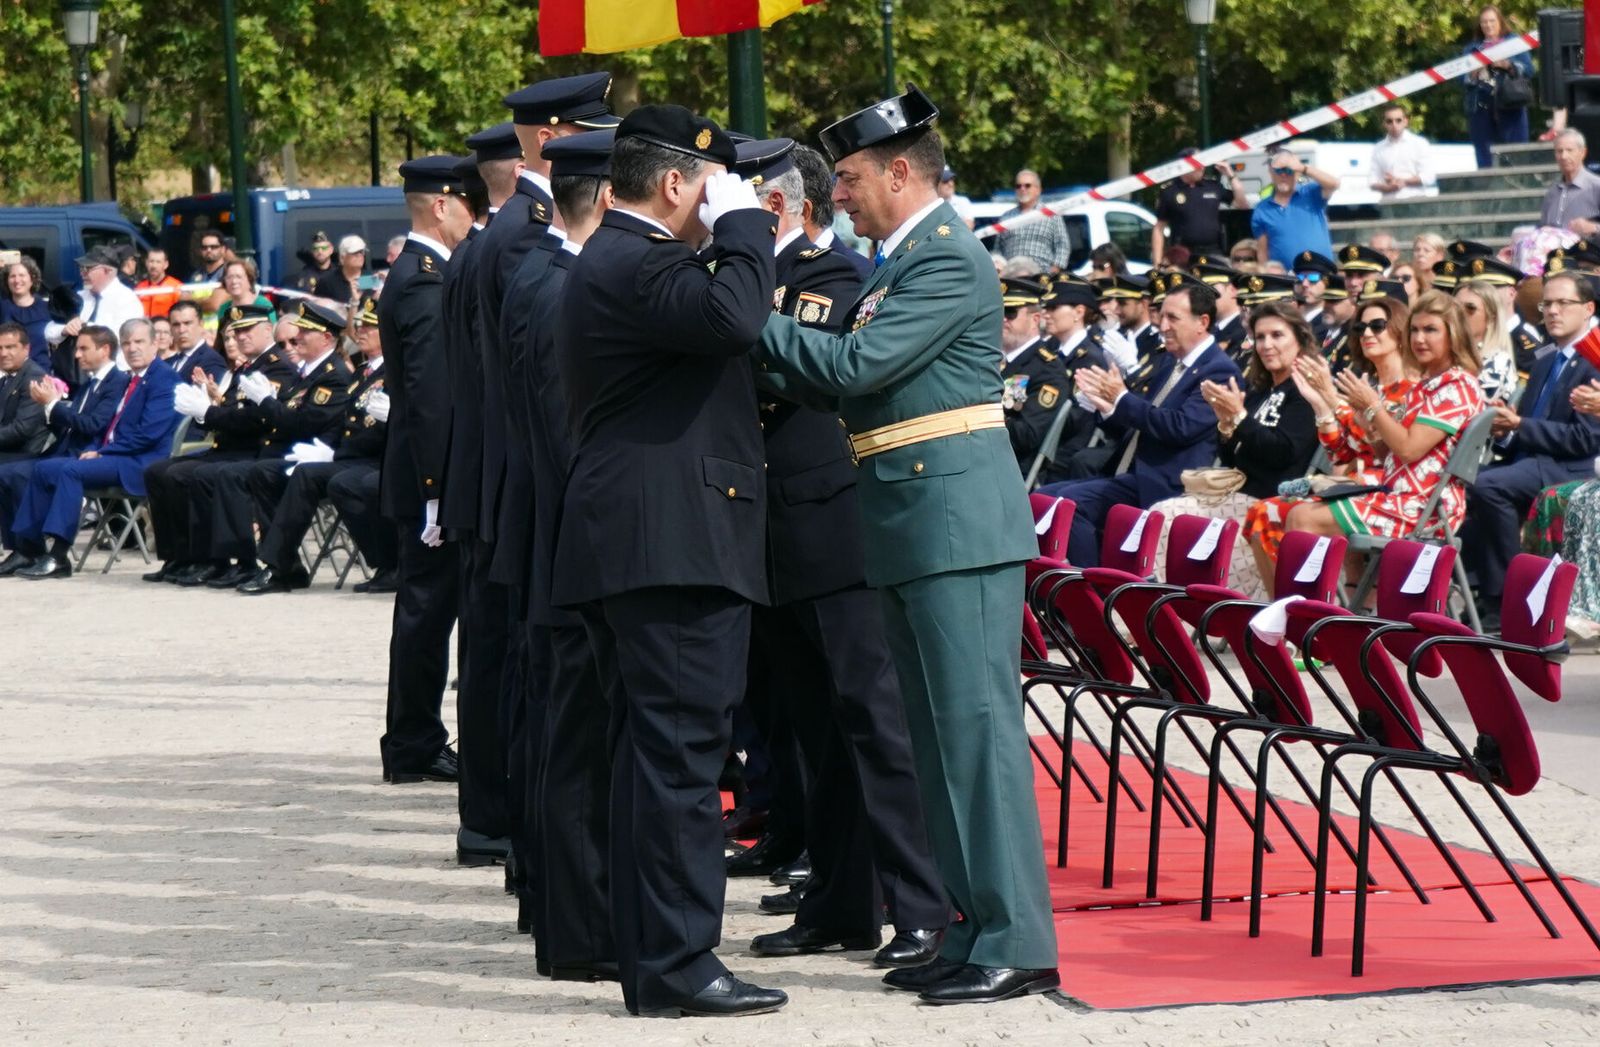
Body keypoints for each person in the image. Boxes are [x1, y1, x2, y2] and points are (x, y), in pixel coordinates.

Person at [754, 86, 1060, 1006]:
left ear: (898, 171)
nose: (836, 194)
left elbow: (854, 367)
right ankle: (968, 928)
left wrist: (734, 312)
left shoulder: (945, 259)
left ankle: (1017, 936)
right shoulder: (897, 263)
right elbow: (840, 382)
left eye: (846, 178)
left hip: (953, 521)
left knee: (975, 735)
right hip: (908, 516)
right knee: (933, 739)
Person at [550, 104, 786, 1018]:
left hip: (644, 539)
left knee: (652, 758)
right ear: (680, 182)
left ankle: (653, 955)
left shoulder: (619, 258)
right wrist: (745, 225)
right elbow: (735, 317)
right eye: (709, 184)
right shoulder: (638, 259)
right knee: (683, 762)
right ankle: (681, 963)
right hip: (671, 544)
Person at [514, 128, 618, 982]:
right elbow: (569, 440)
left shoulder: (546, 276)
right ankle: (580, 930)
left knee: (572, 738)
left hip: (559, 547)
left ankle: (571, 919)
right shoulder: (559, 287)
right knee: (580, 744)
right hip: (575, 552)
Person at [377, 156, 475, 791]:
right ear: (441, 205)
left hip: (422, 474)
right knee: (427, 615)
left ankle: (413, 737)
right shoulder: (424, 280)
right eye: (469, 206)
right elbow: (431, 396)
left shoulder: (417, 273)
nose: (475, 218)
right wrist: (439, 496)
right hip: (429, 480)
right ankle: (413, 740)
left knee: (426, 612)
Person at [1041, 280, 1245, 564]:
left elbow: (1180, 427)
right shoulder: (1171, 364)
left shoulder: (1218, 370)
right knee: (1043, 499)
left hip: (1170, 482)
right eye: (1162, 317)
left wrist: (1122, 398)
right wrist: (1108, 409)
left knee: (1071, 505)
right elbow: (1141, 423)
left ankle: (1090, 594)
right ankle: (1047, 590)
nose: (1163, 326)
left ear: (1202, 322)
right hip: (1135, 471)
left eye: (1173, 318)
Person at [1282, 290, 1485, 547]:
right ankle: (1355, 588)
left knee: (1302, 518)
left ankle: (1304, 589)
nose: (1419, 339)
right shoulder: (1427, 385)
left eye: (1431, 330)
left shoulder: (1456, 385)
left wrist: (1373, 407)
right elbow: (1386, 455)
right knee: (1304, 508)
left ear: (1453, 334)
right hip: (1397, 495)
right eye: (1414, 330)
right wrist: (1369, 423)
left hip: (1426, 508)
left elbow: (1409, 450)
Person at [1147, 301, 1319, 601]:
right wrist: (1227, 425)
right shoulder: (1259, 390)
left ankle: (1190, 618)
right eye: (1260, 337)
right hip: (1239, 494)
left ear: (1300, 340)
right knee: (1163, 514)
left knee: (1173, 516)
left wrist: (1239, 418)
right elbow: (1232, 460)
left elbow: (1283, 454)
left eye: (1277, 336)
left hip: (1273, 500)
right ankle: (1162, 610)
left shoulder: (1303, 392)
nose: (1266, 345)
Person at [181, 299, 353, 591]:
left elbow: (303, 425)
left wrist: (267, 402)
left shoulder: (333, 375)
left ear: (326, 338)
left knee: (254, 472)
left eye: (305, 333)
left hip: (312, 454)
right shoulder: (309, 372)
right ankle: (278, 565)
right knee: (249, 471)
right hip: (285, 452)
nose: (297, 338)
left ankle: (274, 565)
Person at [1459, 272, 1600, 628]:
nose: (1552, 311)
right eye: (1546, 304)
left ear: (1588, 308)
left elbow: (1584, 440)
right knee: (1461, 481)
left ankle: (1513, 596)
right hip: (1531, 460)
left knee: (1489, 486)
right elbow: (1525, 426)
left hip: (1573, 466)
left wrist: (1520, 425)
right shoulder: (1545, 359)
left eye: (1562, 303)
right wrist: (1504, 425)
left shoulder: (1593, 359)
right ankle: (1485, 591)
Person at [8, 317, 180, 578]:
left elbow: (148, 435)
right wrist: (98, 449)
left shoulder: (164, 379)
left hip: (139, 461)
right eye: (127, 343)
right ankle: (28, 549)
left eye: (139, 342)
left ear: (155, 343)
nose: (132, 348)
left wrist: (103, 452)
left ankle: (58, 557)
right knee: (44, 469)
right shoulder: (130, 379)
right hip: (114, 455)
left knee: (72, 471)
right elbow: (109, 427)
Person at [141, 304, 298, 585]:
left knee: (201, 474)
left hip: (254, 450)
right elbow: (229, 411)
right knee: (159, 471)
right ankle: (181, 555)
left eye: (248, 330)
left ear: (266, 330)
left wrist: (208, 412)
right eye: (237, 332)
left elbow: (255, 419)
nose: (240, 337)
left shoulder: (277, 367)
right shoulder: (248, 367)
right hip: (229, 448)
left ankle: (231, 559)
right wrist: (205, 410)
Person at [237, 300, 385, 595]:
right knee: (264, 472)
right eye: (361, 324)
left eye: (370, 326)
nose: (362, 330)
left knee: (309, 476)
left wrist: (333, 452)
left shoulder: (344, 374)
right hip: (342, 454)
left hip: (368, 459)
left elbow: (309, 422)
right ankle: (286, 566)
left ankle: (277, 567)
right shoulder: (361, 372)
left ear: (327, 338)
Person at [0, 325, 126, 569]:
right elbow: (70, 423)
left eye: (83, 348)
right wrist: (52, 410)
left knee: (15, 473)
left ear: (105, 350)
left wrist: (52, 405)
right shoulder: (91, 383)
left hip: (88, 455)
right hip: (63, 450)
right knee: (6, 474)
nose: (77, 355)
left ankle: (35, 549)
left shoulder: (116, 381)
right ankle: (21, 548)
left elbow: (92, 425)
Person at [997, 276, 1070, 475]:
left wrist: (981, 411)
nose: (1003, 318)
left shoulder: (1048, 371)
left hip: (1006, 466)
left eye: (1010, 313)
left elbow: (1027, 435)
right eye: (1000, 311)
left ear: (1035, 319)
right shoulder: (990, 359)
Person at [44, 247, 145, 367]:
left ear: (108, 271)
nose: (82, 273)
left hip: (113, 373)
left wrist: (85, 327)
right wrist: (65, 329)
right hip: (76, 373)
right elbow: (49, 331)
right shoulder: (79, 296)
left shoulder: (127, 300)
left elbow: (122, 338)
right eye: (81, 268)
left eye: (88, 268)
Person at [1465, 5, 1536, 169]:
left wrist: (1508, 65)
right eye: (1484, 22)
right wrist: (1473, 73)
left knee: (1517, 154)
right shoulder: (1472, 49)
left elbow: (1529, 70)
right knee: (1485, 157)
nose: (1488, 25)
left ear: (1500, 22)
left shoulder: (1515, 42)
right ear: (1480, 25)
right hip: (1481, 105)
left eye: (1492, 21)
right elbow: (1462, 80)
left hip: (1512, 103)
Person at [1152, 148, 1249, 264]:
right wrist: (1157, 263)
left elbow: (1243, 204)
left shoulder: (1212, 186)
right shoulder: (1170, 191)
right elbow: (1159, 228)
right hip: (1182, 254)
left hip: (1213, 251)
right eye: (1198, 163)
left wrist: (1231, 175)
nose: (1202, 167)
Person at [794, 143, 873, 279]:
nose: (836, 196)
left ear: (804, 211)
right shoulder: (776, 269)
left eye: (849, 179)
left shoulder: (856, 275)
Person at [1251, 148, 1338, 269]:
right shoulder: (1262, 209)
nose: (1283, 175)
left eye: (1289, 171)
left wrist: (1303, 168)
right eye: (1279, 171)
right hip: (1285, 279)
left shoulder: (1310, 193)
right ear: (1271, 172)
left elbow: (1334, 184)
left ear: (1297, 173)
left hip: (1320, 274)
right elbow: (1262, 252)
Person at [1455, 278, 1519, 404]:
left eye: (1470, 308)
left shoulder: (1497, 362)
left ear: (1491, 318)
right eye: (1454, 307)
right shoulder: (1440, 351)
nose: (1459, 314)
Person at [995, 168, 1070, 274]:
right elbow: (998, 248)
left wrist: (1055, 269)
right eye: (1018, 186)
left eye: (1027, 185)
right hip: (1011, 277)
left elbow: (1062, 244)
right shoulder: (1005, 217)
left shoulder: (1051, 214)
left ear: (1038, 189)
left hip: (1041, 276)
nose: (1022, 189)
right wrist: (998, 263)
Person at [0, 323, 50, 462]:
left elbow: (22, 430)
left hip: (19, 454)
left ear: (26, 349)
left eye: (10, 347)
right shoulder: (8, 376)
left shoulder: (34, 377)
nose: (3, 353)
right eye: (0, 348)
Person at [1538, 130, 1600, 236]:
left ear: (1583, 153)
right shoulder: (1552, 192)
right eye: (1559, 151)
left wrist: (1593, 227)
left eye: (1569, 150)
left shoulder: (1596, 186)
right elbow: (1541, 229)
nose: (1564, 156)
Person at [1369, 105, 1435, 202]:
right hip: (1389, 204)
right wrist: (1387, 187)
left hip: (1415, 201)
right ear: (1384, 124)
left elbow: (1428, 177)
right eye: (1389, 121)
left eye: (1398, 120)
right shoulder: (1378, 148)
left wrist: (1403, 181)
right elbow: (1372, 181)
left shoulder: (1419, 144)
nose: (1394, 125)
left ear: (1405, 121)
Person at [1, 257, 52, 372]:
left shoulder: (46, 308)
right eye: (12, 276)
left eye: (22, 275)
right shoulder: (2, 307)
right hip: (8, 374)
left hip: (40, 372)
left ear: (32, 279)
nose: (17, 280)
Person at [162, 301, 227, 383]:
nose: (182, 330)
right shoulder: (165, 364)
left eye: (187, 323)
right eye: (176, 324)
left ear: (201, 324)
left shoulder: (213, 361)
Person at [314, 236, 369, 308]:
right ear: (342, 258)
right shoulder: (327, 282)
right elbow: (317, 310)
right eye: (355, 252)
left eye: (362, 252)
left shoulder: (370, 279)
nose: (360, 255)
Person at [135, 249, 182, 318]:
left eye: (158, 262)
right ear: (146, 263)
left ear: (166, 264)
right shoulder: (140, 287)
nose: (154, 266)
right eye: (151, 261)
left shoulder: (175, 286)